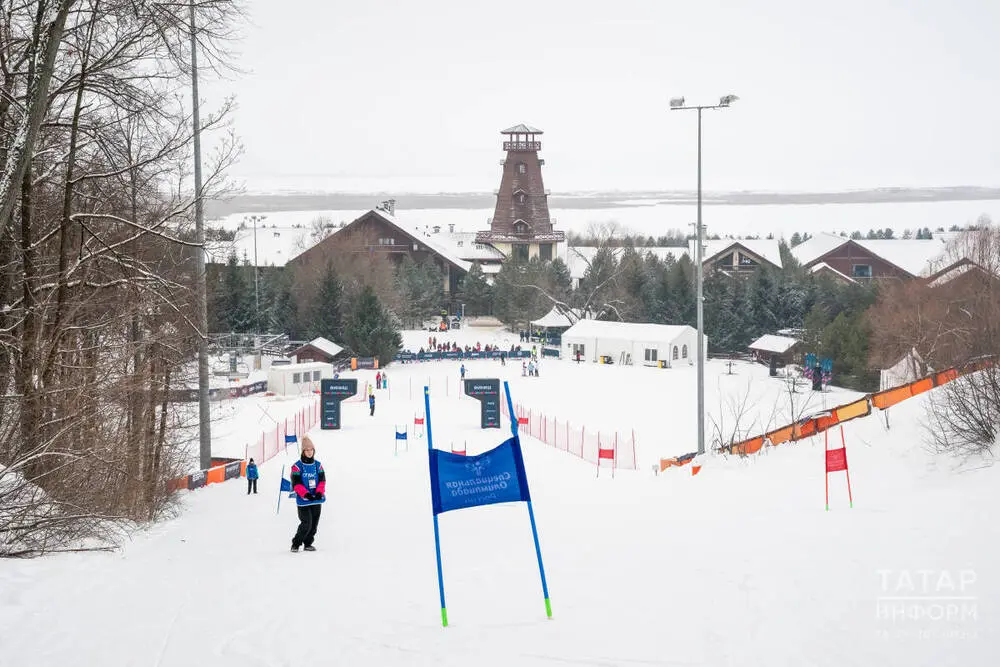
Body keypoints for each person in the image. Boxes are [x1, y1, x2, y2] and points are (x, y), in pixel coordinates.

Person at [290, 437, 325, 552]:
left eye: (311, 450)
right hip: (304, 501)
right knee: (306, 523)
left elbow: (322, 480)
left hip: (316, 499)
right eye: (307, 450)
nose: (310, 452)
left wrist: (319, 492)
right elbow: (296, 483)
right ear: (303, 451)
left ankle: (308, 543)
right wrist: (306, 494)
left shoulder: (318, 465)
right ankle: (296, 544)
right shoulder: (297, 466)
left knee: (314, 524)